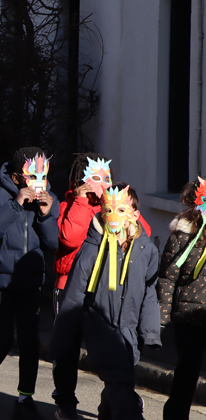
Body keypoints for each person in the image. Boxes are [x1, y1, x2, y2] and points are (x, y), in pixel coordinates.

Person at [50, 184, 160, 420]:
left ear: (135, 215)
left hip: (128, 327)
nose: (113, 217)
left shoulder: (146, 249)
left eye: (121, 210)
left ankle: (106, 413)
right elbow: (75, 294)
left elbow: (149, 289)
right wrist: (61, 337)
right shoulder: (92, 248)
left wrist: (150, 331)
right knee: (120, 382)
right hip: (99, 323)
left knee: (121, 379)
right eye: (108, 210)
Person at [0, 147, 59, 419]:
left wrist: (45, 214)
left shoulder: (48, 199)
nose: (37, 181)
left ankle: (25, 399)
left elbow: (52, 243)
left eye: (42, 174)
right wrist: (15, 203)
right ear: (18, 177)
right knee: (2, 341)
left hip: (29, 281)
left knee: (30, 342)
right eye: (32, 175)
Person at [157, 178, 206, 419]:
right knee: (187, 374)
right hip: (189, 318)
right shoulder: (183, 235)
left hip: (191, 316)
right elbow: (167, 278)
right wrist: (161, 320)